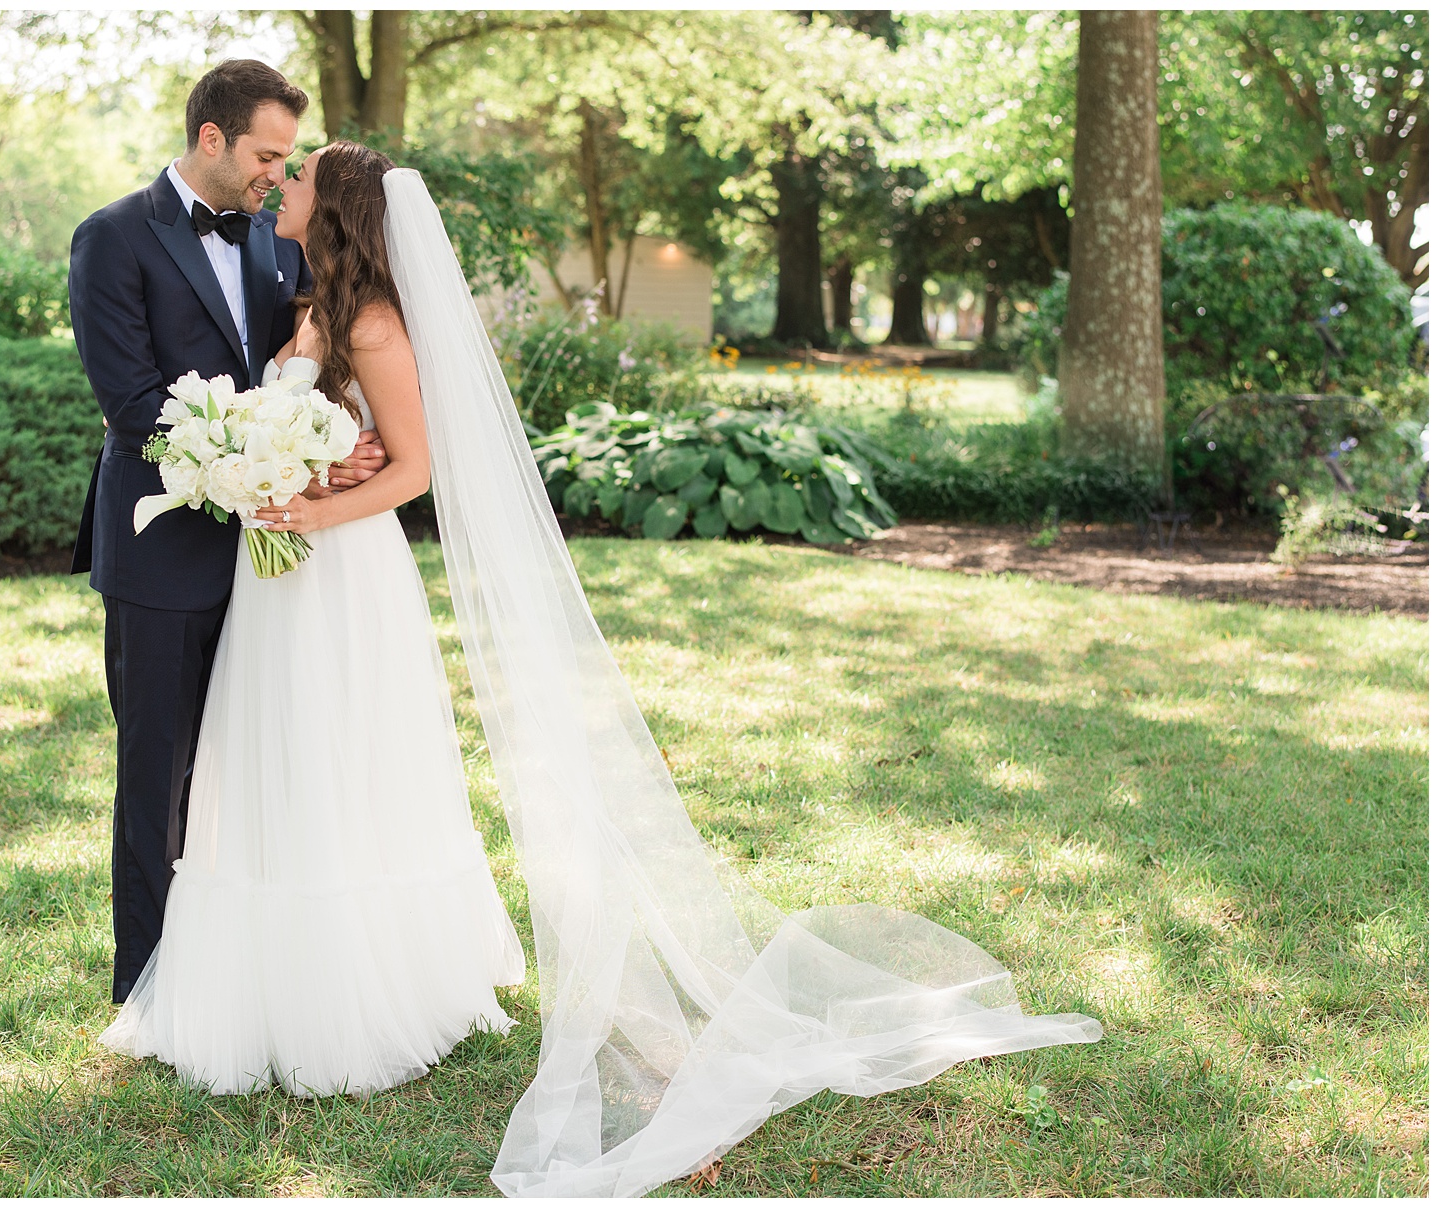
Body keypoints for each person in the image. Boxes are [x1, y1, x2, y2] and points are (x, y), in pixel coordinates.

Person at [100, 139, 1103, 1198]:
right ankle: (254, 982)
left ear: (336, 207)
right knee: (268, 762)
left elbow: (417, 468)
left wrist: (309, 502)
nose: (282, 186)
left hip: (343, 577)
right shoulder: (302, 307)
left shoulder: (377, 323)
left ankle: (357, 990)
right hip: (279, 582)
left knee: (342, 759)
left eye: (299, 178)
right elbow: (300, 432)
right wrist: (263, 472)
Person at [66, 61, 387, 1006]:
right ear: (211, 138)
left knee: (252, 768)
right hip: (163, 547)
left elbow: (305, 371)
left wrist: (326, 452)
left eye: (287, 159)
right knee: (157, 774)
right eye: (265, 154)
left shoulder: (278, 243)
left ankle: (239, 977)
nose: (277, 175)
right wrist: (278, 455)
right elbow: (135, 407)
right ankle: (149, 988)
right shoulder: (113, 238)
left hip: (273, 556)